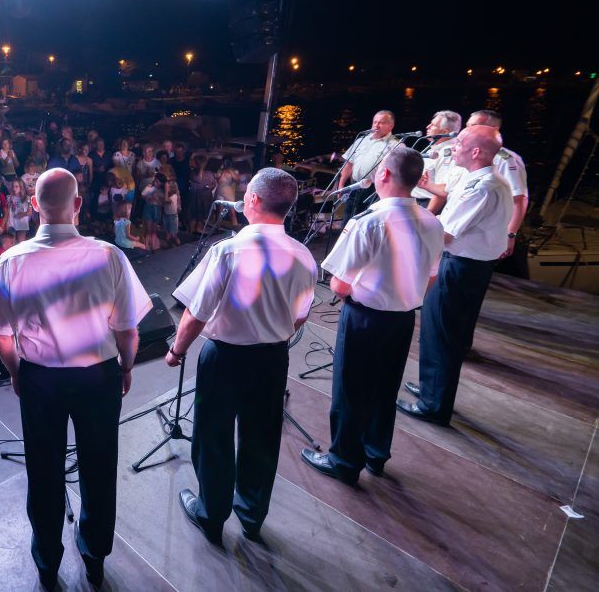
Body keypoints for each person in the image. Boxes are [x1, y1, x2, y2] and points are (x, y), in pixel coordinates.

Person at [0, 168, 151, 588]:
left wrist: (18, 373)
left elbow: (1, 336)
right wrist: (126, 367)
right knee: (99, 467)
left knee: (43, 471)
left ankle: (47, 561)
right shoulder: (110, 255)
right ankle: (94, 554)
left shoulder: (11, 260)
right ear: (77, 206)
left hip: (41, 379)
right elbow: (128, 331)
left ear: (35, 206)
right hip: (98, 379)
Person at [168, 168, 316, 544]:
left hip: (224, 359)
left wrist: (176, 350)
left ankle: (212, 514)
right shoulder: (303, 256)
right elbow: (301, 314)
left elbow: (196, 313)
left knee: (213, 435)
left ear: (251, 200)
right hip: (272, 359)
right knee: (262, 437)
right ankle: (251, 515)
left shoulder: (228, 250)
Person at [300, 148, 444, 484]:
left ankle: (345, 461)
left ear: (384, 176)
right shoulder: (432, 222)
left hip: (365, 318)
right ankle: (376, 454)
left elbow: (339, 284)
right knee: (385, 387)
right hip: (404, 317)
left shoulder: (369, 222)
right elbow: (432, 278)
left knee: (351, 389)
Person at [397, 125, 513, 426]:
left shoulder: (483, 187)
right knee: (440, 330)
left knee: (442, 333)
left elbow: (446, 233)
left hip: (461, 266)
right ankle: (432, 387)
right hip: (466, 265)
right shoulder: (482, 180)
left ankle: (434, 404)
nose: (454, 147)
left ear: (476, 152)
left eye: (460, 143)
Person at [466, 110, 528, 257]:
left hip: (493, 234)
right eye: (468, 125)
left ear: (494, 130)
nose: (467, 130)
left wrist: (510, 235)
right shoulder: (469, 154)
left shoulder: (505, 159)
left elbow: (519, 200)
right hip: (473, 232)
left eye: (474, 126)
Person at [336, 110, 399, 216]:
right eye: (375, 122)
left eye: (381, 123)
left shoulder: (395, 145)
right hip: (355, 186)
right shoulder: (362, 140)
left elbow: (396, 174)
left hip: (375, 191)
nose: (376, 126)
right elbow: (349, 163)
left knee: (368, 222)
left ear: (391, 125)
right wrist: (341, 185)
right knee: (348, 221)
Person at [410, 110, 462, 208]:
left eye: (433, 125)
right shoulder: (435, 147)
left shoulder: (448, 152)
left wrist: (428, 215)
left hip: (427, 204)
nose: (428, 127)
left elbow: (442, 190)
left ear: (445, 132)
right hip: (417, 202)